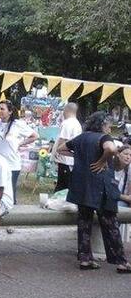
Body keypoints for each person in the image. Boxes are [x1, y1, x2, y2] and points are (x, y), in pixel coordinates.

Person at [57, 111, 131, 272]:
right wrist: (101, 161)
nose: (110, 129)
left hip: (81, 185)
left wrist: (80, 156)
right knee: (110, 223)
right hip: (101, 186)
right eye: (108, 125)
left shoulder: (81, 137)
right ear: (102, 125)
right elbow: (111, 149)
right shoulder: (104, 137)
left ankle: (85, 259)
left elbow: (61, 149)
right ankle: (121, 262)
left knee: (84, 222)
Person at [0, 100, 38, 203]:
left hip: (12, 164)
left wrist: (20, 143)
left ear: (10, 111)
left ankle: (12, 212)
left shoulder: (17, 124)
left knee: (9, 192)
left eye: (2, 109)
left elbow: (34, 136)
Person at [53, 102, 82, 192]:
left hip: (65, 160)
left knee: (61, 188)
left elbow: (62, 143)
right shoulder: (77, 124)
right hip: (70, 160)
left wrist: (57, 153)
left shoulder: (67, 123)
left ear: (65, 110)